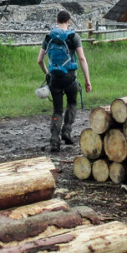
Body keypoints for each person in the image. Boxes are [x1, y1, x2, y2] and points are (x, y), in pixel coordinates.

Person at [37, 10, 92, 152]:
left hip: (55, 78)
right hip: (70, 78)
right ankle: (67, 131)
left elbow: (39, 60)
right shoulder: (74, 37)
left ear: (57, 21)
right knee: (72, 103)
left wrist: (48, 74)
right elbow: (82, 59)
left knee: (57, 110)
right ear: (69, 20)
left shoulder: (49, 37)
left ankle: (55, 141)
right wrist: (87, 80)